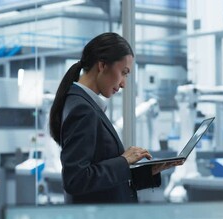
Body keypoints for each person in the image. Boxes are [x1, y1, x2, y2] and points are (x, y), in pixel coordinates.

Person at [49, 32, 181, 204]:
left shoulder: (84, 104)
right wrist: (124, 160)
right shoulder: (82, 109)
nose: (124, 83)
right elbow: (76, 179)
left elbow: (100, 180)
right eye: (124, 73)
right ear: (103, 65)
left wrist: (149, 172)